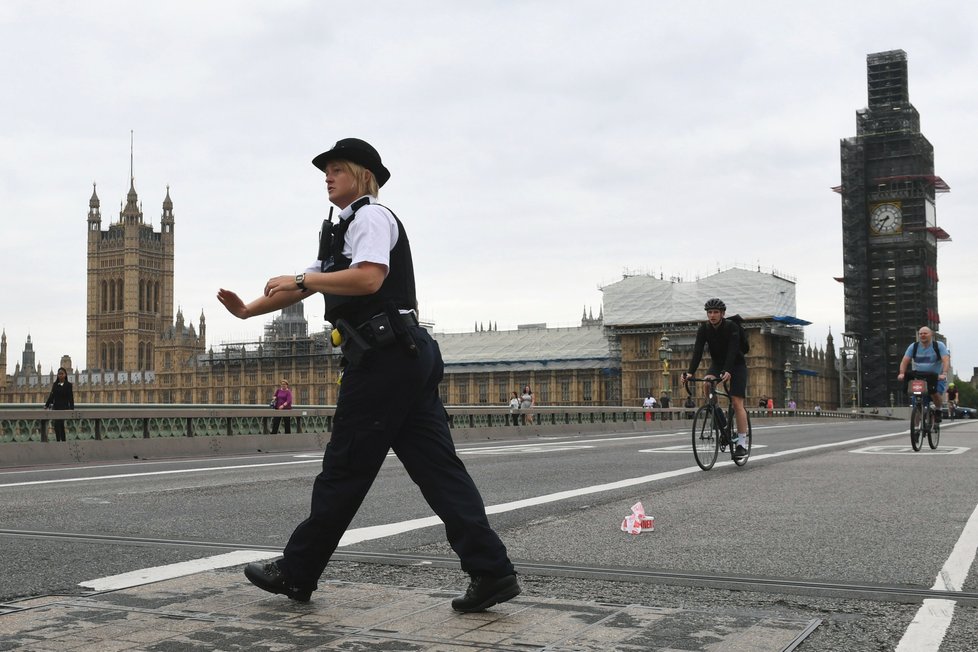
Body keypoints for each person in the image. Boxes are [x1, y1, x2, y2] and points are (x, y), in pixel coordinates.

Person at [217, 138, 519, 612]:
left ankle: (297, 572)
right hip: (401, 356)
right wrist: (248, 311)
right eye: (326, 171)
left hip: (384, 358)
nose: (327, 176)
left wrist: (302, 281)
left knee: (345, 467)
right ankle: (491, 571)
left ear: (362, 175)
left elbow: (369, 277)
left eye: (336, 168)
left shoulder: (372, 217)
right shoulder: (338, 231)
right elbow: (301, 284)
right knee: (439, 471)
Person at [681, 298, 750, 459]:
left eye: (715, 312)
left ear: (722, 314)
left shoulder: (732, 327)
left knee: (736, 402)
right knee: (706, 383)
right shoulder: (704, 329)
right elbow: (698, 351)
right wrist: (690, 372)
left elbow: (733, 350)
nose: (712, 315)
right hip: (718, 363)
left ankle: (741, 443)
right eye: (709, 312)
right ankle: (720, 419)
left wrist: (727, 370)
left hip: (737, 364)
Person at [897, 326, 950, 422]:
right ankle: (917, 427)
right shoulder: (914, 346)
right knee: (916, 402)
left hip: (936, 377)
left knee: (935, 393)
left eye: (925, 333)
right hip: (920, 378)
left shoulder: (938, 346)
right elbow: (904, 361)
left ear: (931, 335)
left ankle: (938, 409)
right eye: (920, 333)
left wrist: (944, 373)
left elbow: (946, 360)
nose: (922, 335)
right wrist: (901, 373)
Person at [44, 367, 74, 442]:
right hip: (56, 407)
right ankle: (59, 441)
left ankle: (62, 441)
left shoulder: (68, 385)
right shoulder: (55, 385)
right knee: (58, 425)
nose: (60, 375)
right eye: (59, 374)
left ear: (65, 375)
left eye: (62, 374)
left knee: (60, 424)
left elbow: (71, 397)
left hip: (64, 408)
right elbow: (52, 396)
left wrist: (71, 408)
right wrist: (47, 405)